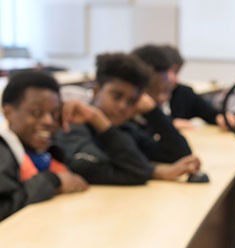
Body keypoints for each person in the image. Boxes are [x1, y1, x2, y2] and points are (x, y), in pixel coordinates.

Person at [55, 53, 200, 185]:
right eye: (116, 96)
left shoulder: (125, 128)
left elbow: (178, 153)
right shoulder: (74, 125)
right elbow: (90, 168)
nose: (123, 106)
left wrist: (153, 112)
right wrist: (156, 172)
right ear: (96, 91)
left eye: (132, 101)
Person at [1, 71, 88, 221]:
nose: (49, 121)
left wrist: (95, 122)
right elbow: (4, 209)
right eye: (36, 113)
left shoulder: (46, 152)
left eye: (54, 114)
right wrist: (54, 181)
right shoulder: (3, 152)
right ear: (8, 112)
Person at [153, 44, 235, 131]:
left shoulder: (184, 93)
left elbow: (210, 113)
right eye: (172, 72)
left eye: (177, 72)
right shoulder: (147, 97)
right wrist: (169, 124)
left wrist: (221, 118)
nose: (175, 79)